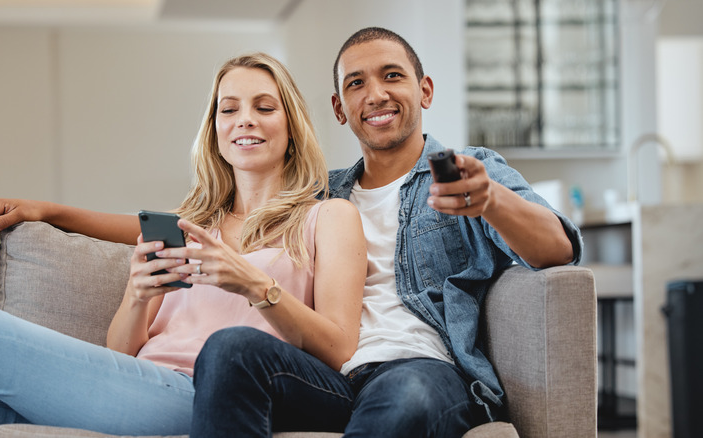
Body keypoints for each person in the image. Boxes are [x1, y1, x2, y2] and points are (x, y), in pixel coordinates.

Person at [0, 52, 367, 437]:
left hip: (200, 396)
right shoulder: (191, 228)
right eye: (228, 109)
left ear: (292, 124)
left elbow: (339, 348)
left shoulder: (328, 217)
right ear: (215, 130)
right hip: (135, 385)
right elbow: (118, 354)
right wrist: (138, 295)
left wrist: (255, 285)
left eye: (264, 107)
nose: (244, 119)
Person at [187, 27, 583, 437]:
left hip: (420, 368)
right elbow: (209, 223)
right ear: (340, 108)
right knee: (230, 349)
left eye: (392, 76)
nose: (375, 94)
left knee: (406, 395)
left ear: (425, 91)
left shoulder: (472, 173)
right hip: (327, 375)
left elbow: (559, 249)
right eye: (356, 83)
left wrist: (492, 201)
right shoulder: (315, 196)